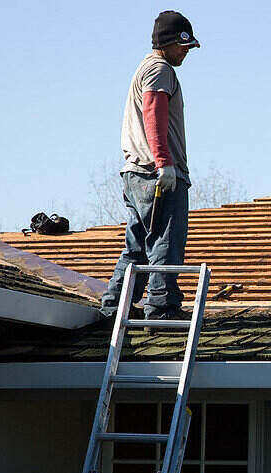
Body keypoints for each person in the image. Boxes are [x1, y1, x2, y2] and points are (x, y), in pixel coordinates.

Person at [100, 11, 200, 321]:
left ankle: (115, 307)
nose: (186, 51)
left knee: (137, 246)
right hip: (156, 173)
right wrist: (165, 163)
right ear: (170, 42)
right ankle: (162, 308)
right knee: (165, 241)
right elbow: (153, 116)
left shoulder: (145, 68)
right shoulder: (160, 70)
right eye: (184, 45)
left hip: (136, 172)